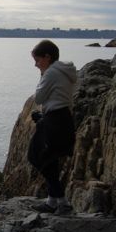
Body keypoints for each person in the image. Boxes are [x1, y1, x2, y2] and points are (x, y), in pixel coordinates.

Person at [27, 40, 77, 214]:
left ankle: (62, 202)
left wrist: (42, 73)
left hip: (54, 120)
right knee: (49, 159)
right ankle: (53, 201)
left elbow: (39, 97)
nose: (36, 64)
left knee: (36, 156)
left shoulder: (50, 73)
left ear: (47, 57)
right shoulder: (64, 70)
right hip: (62, 118)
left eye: (38, 60)